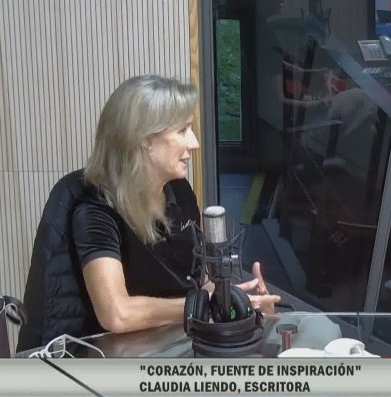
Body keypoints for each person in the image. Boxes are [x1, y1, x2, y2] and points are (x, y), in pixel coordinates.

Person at [21, 75, 280, 346]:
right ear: (145, 140)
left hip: (177, 339)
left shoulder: (180, 191)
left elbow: (193, 287)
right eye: (182, 131)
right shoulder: (96, 210)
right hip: (124, 355)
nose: (194, 143)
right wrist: (200, 306)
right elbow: (117, 314)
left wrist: (237, 298)